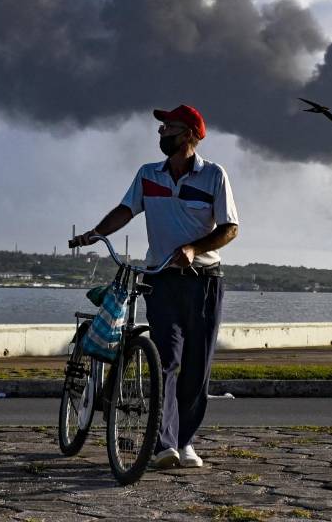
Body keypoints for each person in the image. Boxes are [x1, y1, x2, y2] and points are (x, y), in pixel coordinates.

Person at [70, 104, 239, 469]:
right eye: (161, 129)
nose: (162, 134)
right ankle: (164, 444)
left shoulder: (214, 176)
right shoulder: (149, 174)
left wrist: (195, 248)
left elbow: (230, 228)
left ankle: (185, 441)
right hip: (160, 279)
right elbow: (125, 210)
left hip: (204, 282)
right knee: (166, 359)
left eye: (170, 129)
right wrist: (96, 233)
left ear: (191, 134)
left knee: (197, 368)